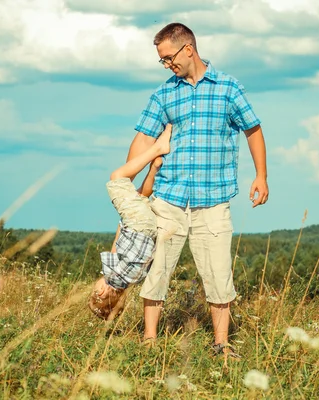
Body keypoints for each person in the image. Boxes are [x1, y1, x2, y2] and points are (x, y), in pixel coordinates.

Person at [126, 23, 269, 357]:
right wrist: (128, 185)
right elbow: (145, 137)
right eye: (162, 61)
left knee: (218, 275)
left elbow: (253, 129)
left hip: (213, 200)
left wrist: (261, 176)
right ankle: (149, 342)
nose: (166, 65)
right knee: (157, 269)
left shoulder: (228, 88)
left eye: (168, 58)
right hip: (169, 198)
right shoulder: (164, 94)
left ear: (187, 49)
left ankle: (221, 344)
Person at [88, 124, 172, 321]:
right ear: (101, 292)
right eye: (94, 291)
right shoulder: (110, 274)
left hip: (150, 227)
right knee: (117, 178)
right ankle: (158, 149)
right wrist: (124, 222)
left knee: (140, 196)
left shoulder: (132, 279)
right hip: (136, 223)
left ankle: (154, 170)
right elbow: (116, 245)